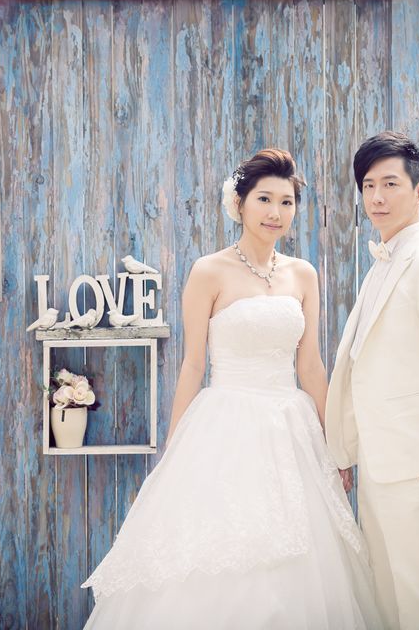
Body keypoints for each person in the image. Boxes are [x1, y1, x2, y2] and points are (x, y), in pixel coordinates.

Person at [82, 149, 381, 629]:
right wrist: (176, 447)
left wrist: (336, 443)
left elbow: (310, 366)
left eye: (286, 202)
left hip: (292, 426)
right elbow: (193, 364)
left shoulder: (303, 274)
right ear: (239, 203)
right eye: (264, 199)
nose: (275, 212)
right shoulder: (209, 271)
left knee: (305, 558)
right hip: (226, 422)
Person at [325, 132, 419, 630]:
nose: (377, 197)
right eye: (369, 186)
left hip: (416, 466)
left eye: (390, 184)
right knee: (388, 603)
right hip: (379, 463)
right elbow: (362, 370)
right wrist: (345, 446)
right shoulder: (382, 265)